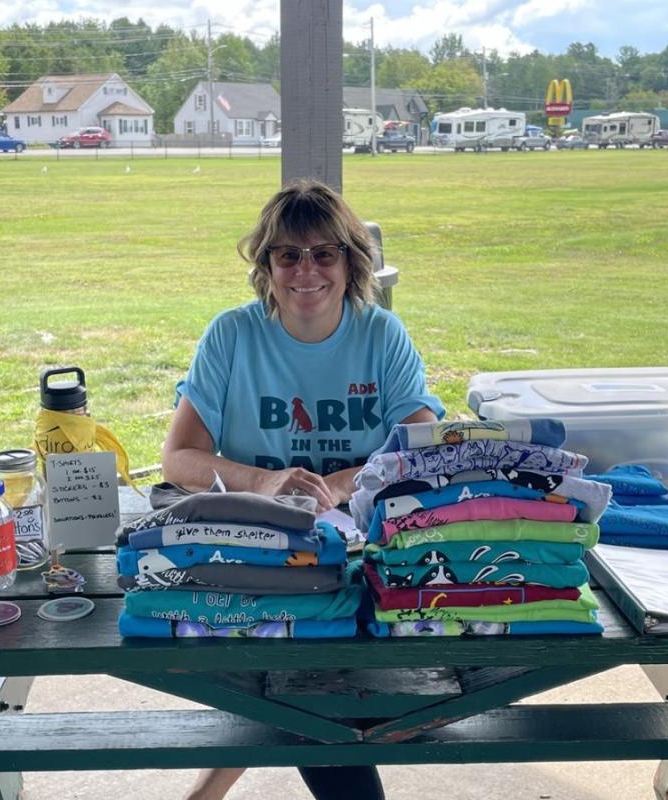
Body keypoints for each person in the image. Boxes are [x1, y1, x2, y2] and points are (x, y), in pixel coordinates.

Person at [162, 178, 445, 800]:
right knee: (300, 679)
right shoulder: (232, 335)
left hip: (363, 554)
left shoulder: (380, 335)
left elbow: (424, 445)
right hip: (255, 550)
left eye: (324, 253)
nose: (306, 271)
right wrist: (264, 481)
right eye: (287, 255)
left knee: (311, 680)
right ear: (265, 267)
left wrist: (342, 483)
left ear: (351, 262)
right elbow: (178, 457)